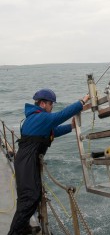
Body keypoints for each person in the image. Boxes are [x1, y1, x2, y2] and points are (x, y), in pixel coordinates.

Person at [8, 88, 89, 235]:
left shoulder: (36, 119)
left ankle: (24, 227)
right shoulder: (40, 117)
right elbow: (61, 115)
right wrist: (82, 102)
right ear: (43, 104)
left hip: (26, 161)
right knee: (30, 197)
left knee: (30, 196)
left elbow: (53, 131)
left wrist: (71, 127)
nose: (52, 108)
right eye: (51, 104)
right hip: (27, 162)